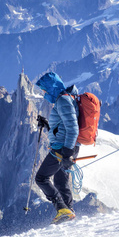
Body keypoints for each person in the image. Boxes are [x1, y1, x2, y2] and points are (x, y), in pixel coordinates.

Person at [35, 72, 80, 223]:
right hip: (65, 146)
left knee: (41, 178)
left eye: (45, 90)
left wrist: (67, 153)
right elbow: (61, 128)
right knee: (60, 182)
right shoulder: (64, 100)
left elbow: (73, 128)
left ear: (52, 87)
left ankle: (61, 208)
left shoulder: (63, 101)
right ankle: (69, 212)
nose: (44, 93)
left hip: (62, 149)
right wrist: (47, 125)